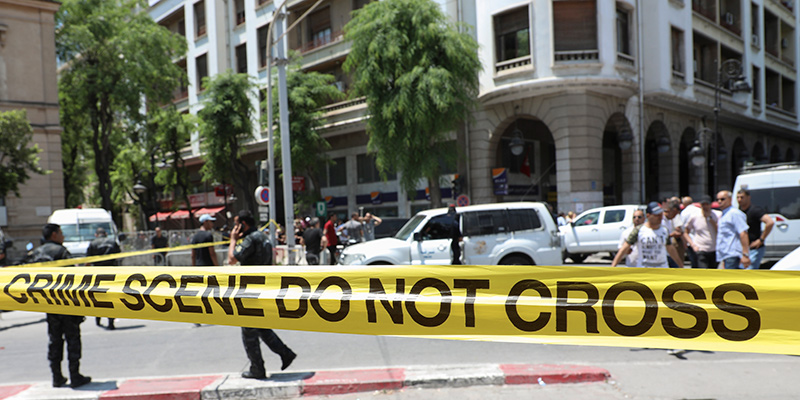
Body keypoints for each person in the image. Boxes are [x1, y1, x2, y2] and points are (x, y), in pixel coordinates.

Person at [228, 210, 296, 379]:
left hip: (251, 290)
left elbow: (231, 259)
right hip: (262, 287)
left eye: (237, 224)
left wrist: (233, 240)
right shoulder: (263, 237)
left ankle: (257, 368)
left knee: (248, 332)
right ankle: (285, 353)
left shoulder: (251, 239)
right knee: (261, 327)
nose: (235, 228)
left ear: (244, 224)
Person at [32, 223, 91, 388]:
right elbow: (72, 277)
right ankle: (75, 376)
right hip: (65, 302)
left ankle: (56, 376)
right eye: (60, 233)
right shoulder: (61, 251)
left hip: (48, 303)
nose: (63, 236)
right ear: (54, 235)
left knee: (54, 340)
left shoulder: (36, 253)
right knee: (72, 339)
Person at [611, 202, 680, 268]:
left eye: (661, 215)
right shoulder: (639, 230)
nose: (660, 217)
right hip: (645, 269)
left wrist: (681, 267)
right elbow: (624, 248)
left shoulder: (664, 230)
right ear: (648, 215)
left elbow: (670, 249)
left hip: (662, 269)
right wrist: (613, 266)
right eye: (656, 215)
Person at [86, 227, 121, 329]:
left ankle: (98, 318)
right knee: (110, 297)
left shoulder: (93, 243)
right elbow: (118, 255)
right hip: (111, 273)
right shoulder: (112, 242)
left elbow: (88, 260)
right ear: (105, 233)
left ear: (96, 235)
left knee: (98, 297)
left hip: (97, 274)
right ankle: (111, 321)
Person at [737, 189, 775, 269]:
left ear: (748, 197)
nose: (739, 200)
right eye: (738, 197)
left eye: (742, 197)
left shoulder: (755, 210)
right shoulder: (738, 212)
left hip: (754, 249)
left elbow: (770, 222)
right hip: (742, 249)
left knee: (749, 273)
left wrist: (761, 239)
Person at [715, 191, 751, 269]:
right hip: (726, 255)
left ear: (730, 199)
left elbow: (743, 233)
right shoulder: (724, 214)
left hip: (733, 254)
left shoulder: (734, 213)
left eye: (722, 199)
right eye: (718, 199)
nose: (719, 201)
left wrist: (745, 255)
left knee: (732, 280)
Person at [682, 195, 720, 269]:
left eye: (707, 204)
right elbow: (685, 232)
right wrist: (693, 245)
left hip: (714, 249)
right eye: (703, 205)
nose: (705, 207)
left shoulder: (717, 215)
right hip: (701, 249)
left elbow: (719, 230)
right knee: (703, 271)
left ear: (711, 205)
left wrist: (709, 218)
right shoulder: (694, 216)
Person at [662, 199, 685, 268]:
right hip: (663, 253)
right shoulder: (661, 221)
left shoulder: (669, 221)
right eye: (675, 214)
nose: (674, 217)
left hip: (668, 252)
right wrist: (672, 235)